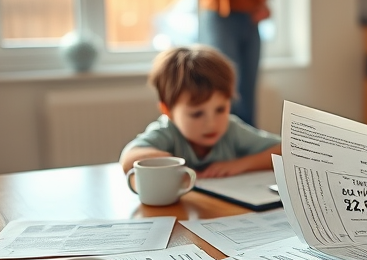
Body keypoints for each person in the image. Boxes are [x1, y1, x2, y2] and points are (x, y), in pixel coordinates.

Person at [119, 45, 280, 178]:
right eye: (196, 114)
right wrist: (177, 167)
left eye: (220, 109)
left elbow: (285, 151)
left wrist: (239, 165)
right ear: (168, 110)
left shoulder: (231, 129)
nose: (211, 123)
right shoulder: (167, 132)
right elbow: (129, 159)